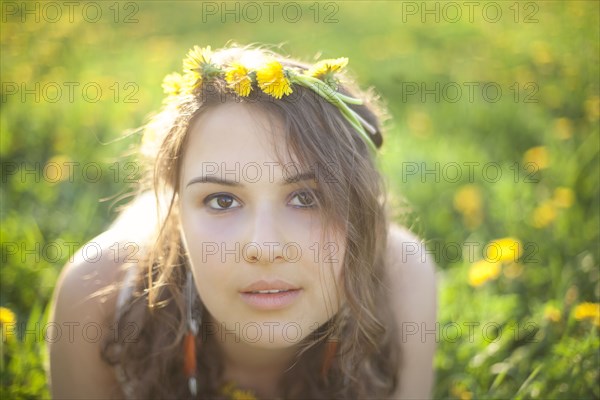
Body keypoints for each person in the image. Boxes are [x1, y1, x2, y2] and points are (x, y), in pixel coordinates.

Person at [47, 44, 437, 399]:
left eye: (307, 198)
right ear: (177, 210)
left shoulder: (402, 275)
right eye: (222, 200)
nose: (263, 248)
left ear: (363, 205)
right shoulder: (97, 296)